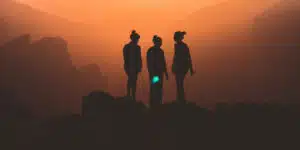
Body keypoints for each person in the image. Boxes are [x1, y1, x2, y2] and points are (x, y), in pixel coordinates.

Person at [172, 31, 195, 104]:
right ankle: (180, 99)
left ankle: (181, 99)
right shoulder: (178, 46)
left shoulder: (183, 46)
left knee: (179, 83)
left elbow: (188, 57)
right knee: (179, 83)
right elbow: (175, 57)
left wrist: (191, 68)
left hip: (182, 67)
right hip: (179, 67)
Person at [147, 35, 168, 107]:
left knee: (159, 87)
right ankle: (153, 103)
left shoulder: (160, 51)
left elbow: (163, 62)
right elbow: (149, 63)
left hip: (159, 73)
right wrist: (151, 72)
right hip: (155, 73)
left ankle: (158, 103)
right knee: (154, 87)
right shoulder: (151, 51)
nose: (161, 43)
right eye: (160, 42)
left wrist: (165, 72)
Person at [123, 30, 142, 101]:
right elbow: (125, 58)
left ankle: (132, 95)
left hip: (134, 67)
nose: (137, 40)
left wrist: (139, 66)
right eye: (137, 39)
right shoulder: (128, 47)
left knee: (133, 81)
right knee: (131, 80)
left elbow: (139, 58)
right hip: (130, 66)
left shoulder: (137, 47)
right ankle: (129, 95)